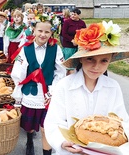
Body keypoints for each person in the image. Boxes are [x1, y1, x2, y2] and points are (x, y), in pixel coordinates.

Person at [44, 20, 129, 155]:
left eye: (103, 61)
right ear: (81, 59)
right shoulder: (64, 86)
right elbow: (54, 121)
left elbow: (121, 121)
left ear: (110, 61)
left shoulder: (113, 87)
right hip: (71, 151)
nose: (96, 66)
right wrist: (61, 142)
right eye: (91, 59)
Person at [11, 14, 66, 155]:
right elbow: (18, 73)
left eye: (47, 32)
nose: (43, 34)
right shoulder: (26, 49)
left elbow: (60, 72)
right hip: (30, 93)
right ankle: (29, 140)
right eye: (40, 31)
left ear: (51, 33)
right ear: (33, 30)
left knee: (45, 127)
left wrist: (53, 90)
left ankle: (46, 152)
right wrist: (18, 96)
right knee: (28, 126)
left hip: (47, 94)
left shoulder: (55, 49)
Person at [62, 8, 86, 75]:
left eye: (74, 14)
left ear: (79, 15)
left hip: (79, 46)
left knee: (79, 64)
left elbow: (84, 33)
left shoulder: (82, 23)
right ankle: (68, 79)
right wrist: (72, 40)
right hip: (69, 46)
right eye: (71, 14)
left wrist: (79, 41)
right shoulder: (67, 22)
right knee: (70, 65)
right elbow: (64, 33)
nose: (72, 16)